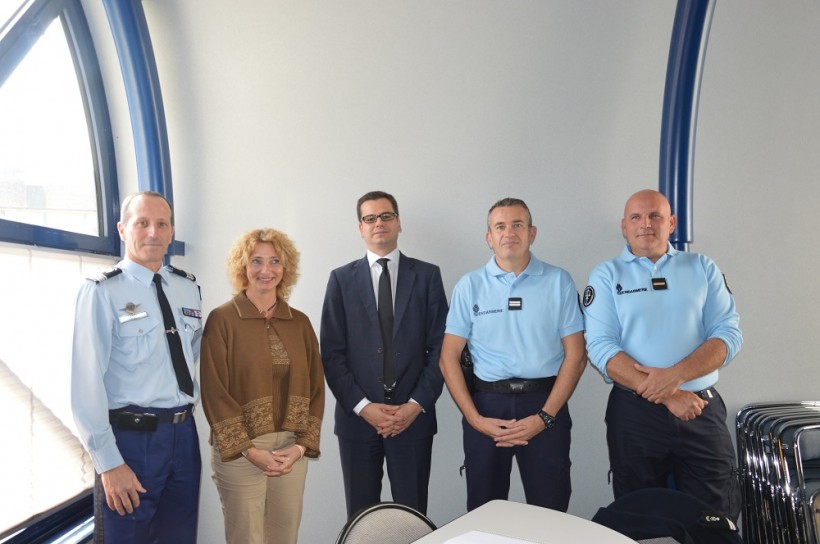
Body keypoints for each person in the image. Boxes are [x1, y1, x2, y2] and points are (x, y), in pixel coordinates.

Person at [583, 189, 742, 521]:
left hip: (701, 409)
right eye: (637, 217)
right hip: (635, 416)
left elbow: (727, 335)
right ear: (624, 226)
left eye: (655, 216)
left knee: (715, 515)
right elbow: (601, 349)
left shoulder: (702, 267)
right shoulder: (606, 275)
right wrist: (670, 394)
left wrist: (676, 378)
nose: (646, 224)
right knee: (641, 516)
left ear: (671, 223)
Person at [439, 197, 586, 512]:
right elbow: (448, 357)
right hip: (488, 407)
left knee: (551, 510)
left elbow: (576, 356)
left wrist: (545, 417)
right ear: (489, 237)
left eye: (518, 224)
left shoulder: (559, 281)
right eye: (500, 226)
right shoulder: (469, 286)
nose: (509, 233)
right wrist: (474, 418)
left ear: (532, 233)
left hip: (546, 404)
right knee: (485, 510)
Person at [71, 191, 203, 543]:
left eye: (162, 224)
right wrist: (109, 463)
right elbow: (86, 387)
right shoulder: (101, 292)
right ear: (122, 229)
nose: (153, 233)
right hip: (130, 441)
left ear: (172, 231)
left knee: (180, 538)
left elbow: (189, 357)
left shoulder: (187, 289)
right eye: (142, 223)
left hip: (183, 436)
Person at [321, 190, 448, 518]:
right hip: (357, 422)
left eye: (386, 216)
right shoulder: (340, 280)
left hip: (413, 420)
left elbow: (441, 350)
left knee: (413, 517)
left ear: (398, 222)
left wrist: (414, 406)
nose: (379, 223)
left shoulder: (428, 276)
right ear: (360, 228)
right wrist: (364, 408)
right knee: (361, 520)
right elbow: (331, 354)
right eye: (370, 218)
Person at [200, 228, 324, 544]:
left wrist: (300, 447)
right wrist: (250, 450)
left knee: (284, 537)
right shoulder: (222, 319)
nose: (265, 270)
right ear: (243, 266)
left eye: (274, 261)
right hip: (241, 452)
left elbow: (316, 390)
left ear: (286, 269)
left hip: (290, 450)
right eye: (256, 261)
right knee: (247, 538)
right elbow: (214, 391)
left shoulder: (301, 323)